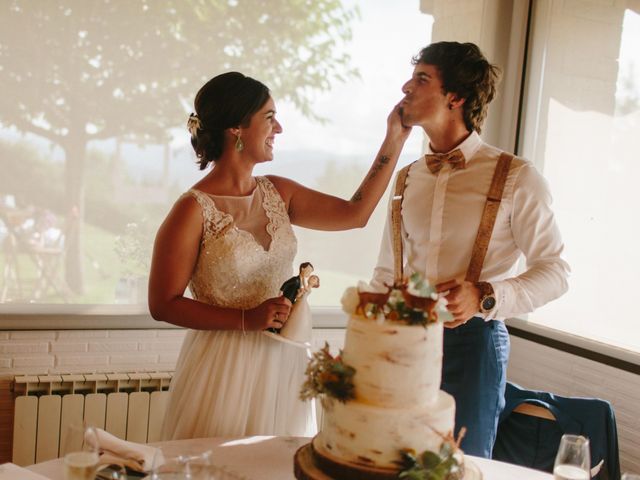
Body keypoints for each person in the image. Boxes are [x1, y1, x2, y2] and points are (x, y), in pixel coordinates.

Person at [148, 71, 410, 440]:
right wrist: (245, 318)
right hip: (224, 369)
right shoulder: (192, 210)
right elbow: (163, 304)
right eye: (270, 118)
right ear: (237, 127)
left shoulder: (280, 193)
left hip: (283, 365)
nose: (280, 128)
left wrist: (394, 139)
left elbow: (356, 214)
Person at [369, 42, 570, 458]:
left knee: (461, 466)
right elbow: (387, 274)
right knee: (390, 461)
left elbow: (556, 270)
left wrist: (485, 295)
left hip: (474, 347)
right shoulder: (406, 178)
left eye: (422, 78)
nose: (406, 86)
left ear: (455, 97)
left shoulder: (517, 177)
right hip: (404, 340)